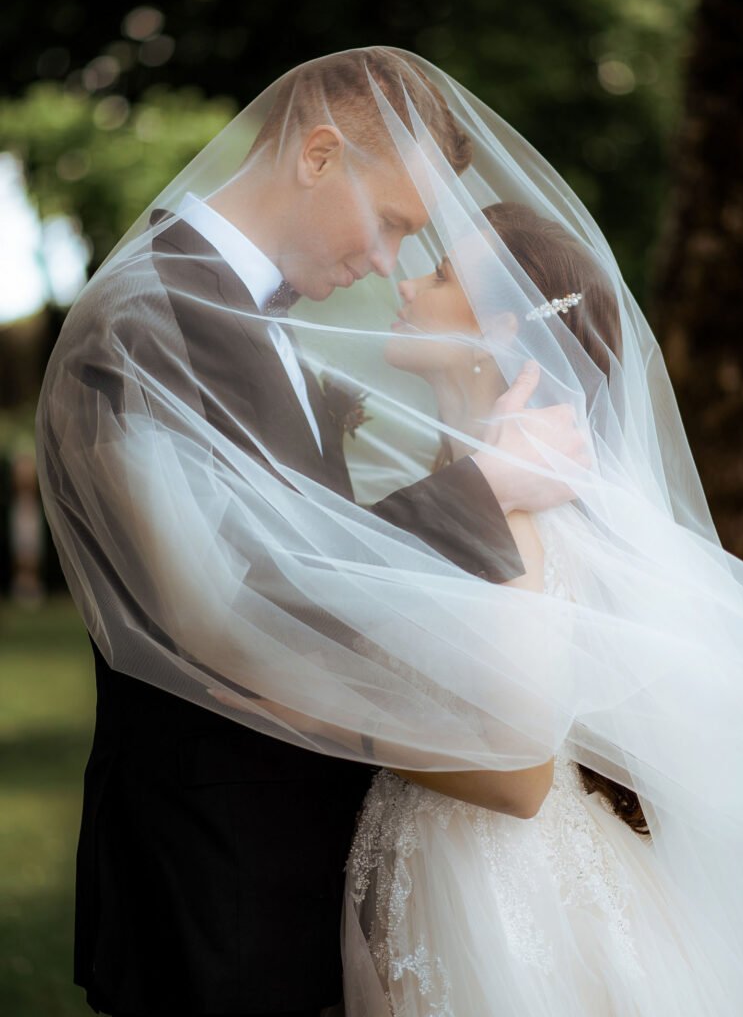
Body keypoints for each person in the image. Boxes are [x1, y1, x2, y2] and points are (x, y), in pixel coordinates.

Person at [35, 49, 587, 1017]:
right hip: (212, 886)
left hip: (295, 876)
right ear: (320, 157)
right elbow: (226, 612)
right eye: (394, 225)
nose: (386, 263)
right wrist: (481, 486)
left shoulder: (252, 316)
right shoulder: (142, 322)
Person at [342, 202, 743, 1015]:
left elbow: (519, 770)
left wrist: (324, 719)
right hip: (449, 861)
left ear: (500, 330)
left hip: (502, 884)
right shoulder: (473, 486)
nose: (406, 281)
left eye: (436, 274)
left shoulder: (520, 507)